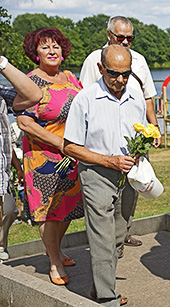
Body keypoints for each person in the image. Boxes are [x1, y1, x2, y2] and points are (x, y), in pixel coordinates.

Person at [64, 45, 146, 306]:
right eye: (113, 74)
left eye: (126, 74)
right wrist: (108, 160)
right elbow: (69, 146)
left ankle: (99, 286)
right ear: (100, 69)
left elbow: (140, 134)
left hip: (127, 176)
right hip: (96, 174)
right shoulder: (85, 99)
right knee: (102, 238)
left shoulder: (136, 97)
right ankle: (108, 298)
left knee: (118, 236)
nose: (120, 80)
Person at [80, 15, 159, 249]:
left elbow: (148, 97)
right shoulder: (95, 59)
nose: (125, 42)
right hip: (104, 140)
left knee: (132, 187)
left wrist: (154, 129)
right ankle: (108, 243)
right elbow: (84, 98)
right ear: (109, 35)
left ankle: (123, 234)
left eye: (130, 38)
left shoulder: (140, 60)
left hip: (135, 137)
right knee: (105, 192)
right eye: (120, 37)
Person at [14, 28, 84, 285]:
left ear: (63, 52)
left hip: (70, 153)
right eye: (45, 47)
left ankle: (55, 248)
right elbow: (24, 123)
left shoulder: (70, 77)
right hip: (42, 156)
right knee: (48, 212)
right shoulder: (29, 81)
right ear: (36, 54)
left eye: (56, 46)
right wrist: (60, 144)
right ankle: (54, 261)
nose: (52, 51)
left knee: (67, 206)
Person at [0, 56, 42, 260]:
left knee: (9, 210)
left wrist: (2, 63)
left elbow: (34, 95)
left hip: (2, 173)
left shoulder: (0, 93)